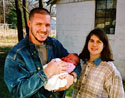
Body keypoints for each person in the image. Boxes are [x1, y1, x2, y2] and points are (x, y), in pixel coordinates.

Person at [4, 7, 81, 98]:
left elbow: (76, 63)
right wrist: (46, 72)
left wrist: (72, 77)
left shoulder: (55, 45)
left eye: (47, 25)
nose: (44, 29)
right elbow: (17, 92)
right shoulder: (16, 55)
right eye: (39, 24)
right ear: (29, 24)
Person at [73, 28, 125, 98]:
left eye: (98, 42)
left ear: (104, 45)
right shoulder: (81, 63)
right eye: (92, 41)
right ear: (87, 42)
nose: (94, 44)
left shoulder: (110, 70)